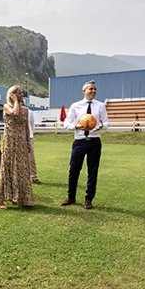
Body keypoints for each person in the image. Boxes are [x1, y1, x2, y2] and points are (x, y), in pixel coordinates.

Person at [61, 80, 109, 210]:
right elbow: (66, 123)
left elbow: (106, 122)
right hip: (79, 142)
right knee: (74, 170)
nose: (93, 91)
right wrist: (75, 126)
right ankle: (71, 197)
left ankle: (88, 200)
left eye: (95, 89)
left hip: (94, 141)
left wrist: (100, 126)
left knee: (92, 171)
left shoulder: (100, 106)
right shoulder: (75, 106)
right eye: (91, 89)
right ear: (84, 91)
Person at [0, 85, 33, 209]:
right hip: (10, 142)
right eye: (19, 93)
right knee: (7, 168)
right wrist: (15, 101)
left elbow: (26, 127)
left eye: (21, 93)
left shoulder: (26, 110)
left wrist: (28, 143)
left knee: (21, 169)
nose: (22, 95)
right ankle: (0, 199)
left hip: (21, 142)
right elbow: (14, 113)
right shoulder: (7, 107)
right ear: (12, 94)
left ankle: (21, 198)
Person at [26, 103, 41, 183]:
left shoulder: (30, 112)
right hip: (19, 137)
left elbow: (31, 125)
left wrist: (30, 134)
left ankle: (33, 176)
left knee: (31, 157)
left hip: (29, 137)